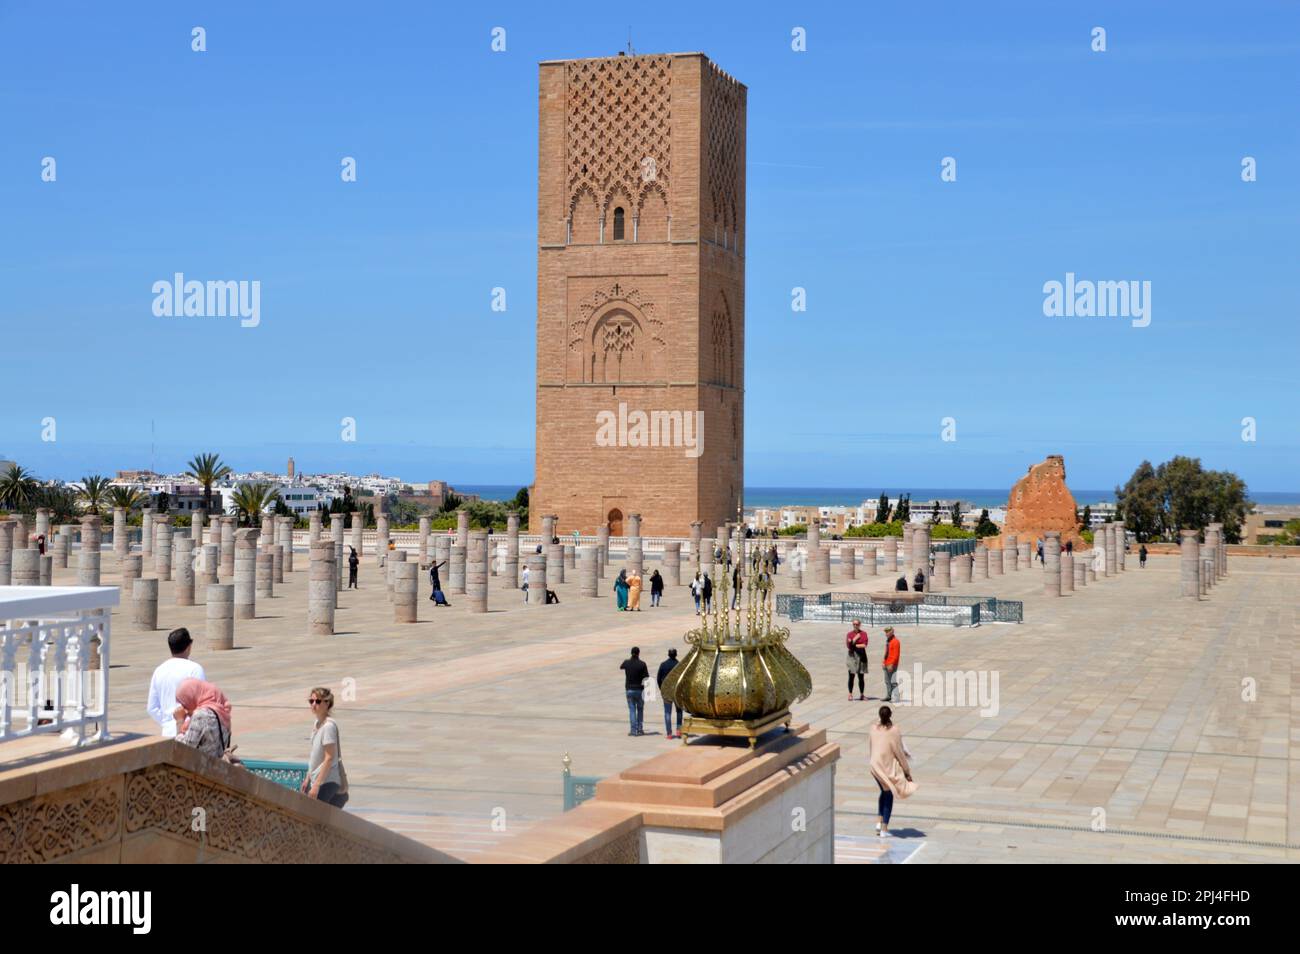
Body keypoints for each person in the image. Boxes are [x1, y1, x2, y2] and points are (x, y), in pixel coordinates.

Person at [147, 628, 206, 738]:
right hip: (191, 732)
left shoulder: (159, 670)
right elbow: (202, 705)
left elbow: (152, 708)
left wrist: (167, 722)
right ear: (189, 646)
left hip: (167, 733)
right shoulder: (194, 669)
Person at [869, 705, 916, 838]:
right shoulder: (894, 731)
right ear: (890, 716)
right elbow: (899, 752)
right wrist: (907, 772)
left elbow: (872, 746)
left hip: (874, 765)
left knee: (884, 791)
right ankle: (884, 828)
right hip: (886, 767)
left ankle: (879, 821)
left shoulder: (873, 728)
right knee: (888, 795)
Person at [300, 686, 349, 807]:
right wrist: (308, 778)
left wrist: (317, 785)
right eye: (311, 701)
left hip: (327, 781)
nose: (313, 705)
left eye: (318, 701)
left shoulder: (328, 727)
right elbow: (315, 755)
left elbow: (329, 758)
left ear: (327, 703)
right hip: (316, 779)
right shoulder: (317, 723)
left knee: (315, 816)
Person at [174, 677, 232, 761]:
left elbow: (184, 748)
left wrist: (179, 721)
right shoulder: (221, 710)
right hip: (218, 765)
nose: (184, 707)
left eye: (184, 702)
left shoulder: (202, 715)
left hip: (203, 770)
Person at [620, 647, 649, 736]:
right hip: (640, 690)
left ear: (631, 653)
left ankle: (633, 731)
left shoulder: (627, 663)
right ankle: (640, 729)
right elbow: (646, 677)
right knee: (640, 710)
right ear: (638, 653)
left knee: (632, 710)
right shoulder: (642, 664)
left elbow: (621, 666)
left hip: (629, 689)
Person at [657, 648, 683, 739]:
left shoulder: (663, 665)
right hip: (676, 691)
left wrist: (662, 689)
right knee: (679, 711)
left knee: (667, 713)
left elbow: (658, 678)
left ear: (668, 654)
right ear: (676, 655)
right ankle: (679, 731)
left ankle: (669, 733)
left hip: (667, 692)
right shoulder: (679, 665)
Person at [845, 620, 869, 701]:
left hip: (861, 656)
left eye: (857, 624)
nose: (855, 625)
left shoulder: (863, 633)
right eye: (854, 624)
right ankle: (850, 694)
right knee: (851, 676)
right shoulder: (849, 634)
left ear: (860, 625)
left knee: (861, 677)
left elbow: (864, 645)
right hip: (852, 657)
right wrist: (855, 639)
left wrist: (853, 642)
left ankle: (862, 694)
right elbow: (849, 646)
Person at [881, 627, 901, 703]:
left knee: (893, 681)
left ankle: (896, 697)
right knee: (887, 681)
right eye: (885, 632)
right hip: (887, 663)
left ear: (892, 632)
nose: (886, 633)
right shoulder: (888, 641)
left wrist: (891, 664)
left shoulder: (895, 641)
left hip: (892, 665)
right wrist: (884, 662)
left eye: (888, 632)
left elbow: (896, 655)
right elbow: (886, 653)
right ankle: (889, 695)